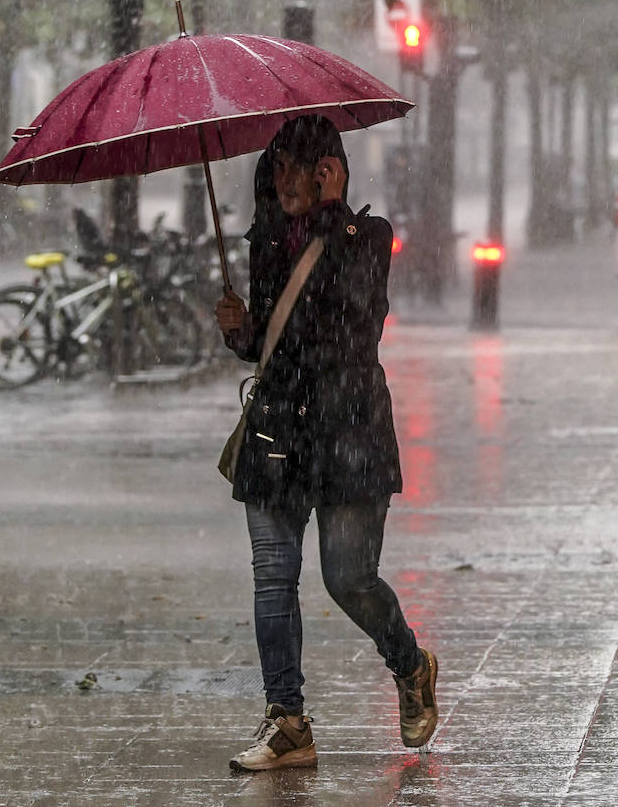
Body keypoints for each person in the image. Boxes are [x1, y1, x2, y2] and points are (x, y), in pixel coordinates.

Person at [213, 115, 438, 772]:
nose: (283, 181)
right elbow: (272, 347)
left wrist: (335, 215)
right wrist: (240, 333)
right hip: (279, 430)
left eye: (297, 167)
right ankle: (288, 721)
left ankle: (410, 663)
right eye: (276, 167)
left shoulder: (364, 236)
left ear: (326, 170)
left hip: (349, 433)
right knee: (273, 579)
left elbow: (356, 327)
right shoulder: (264, 243)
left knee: (349, 578)